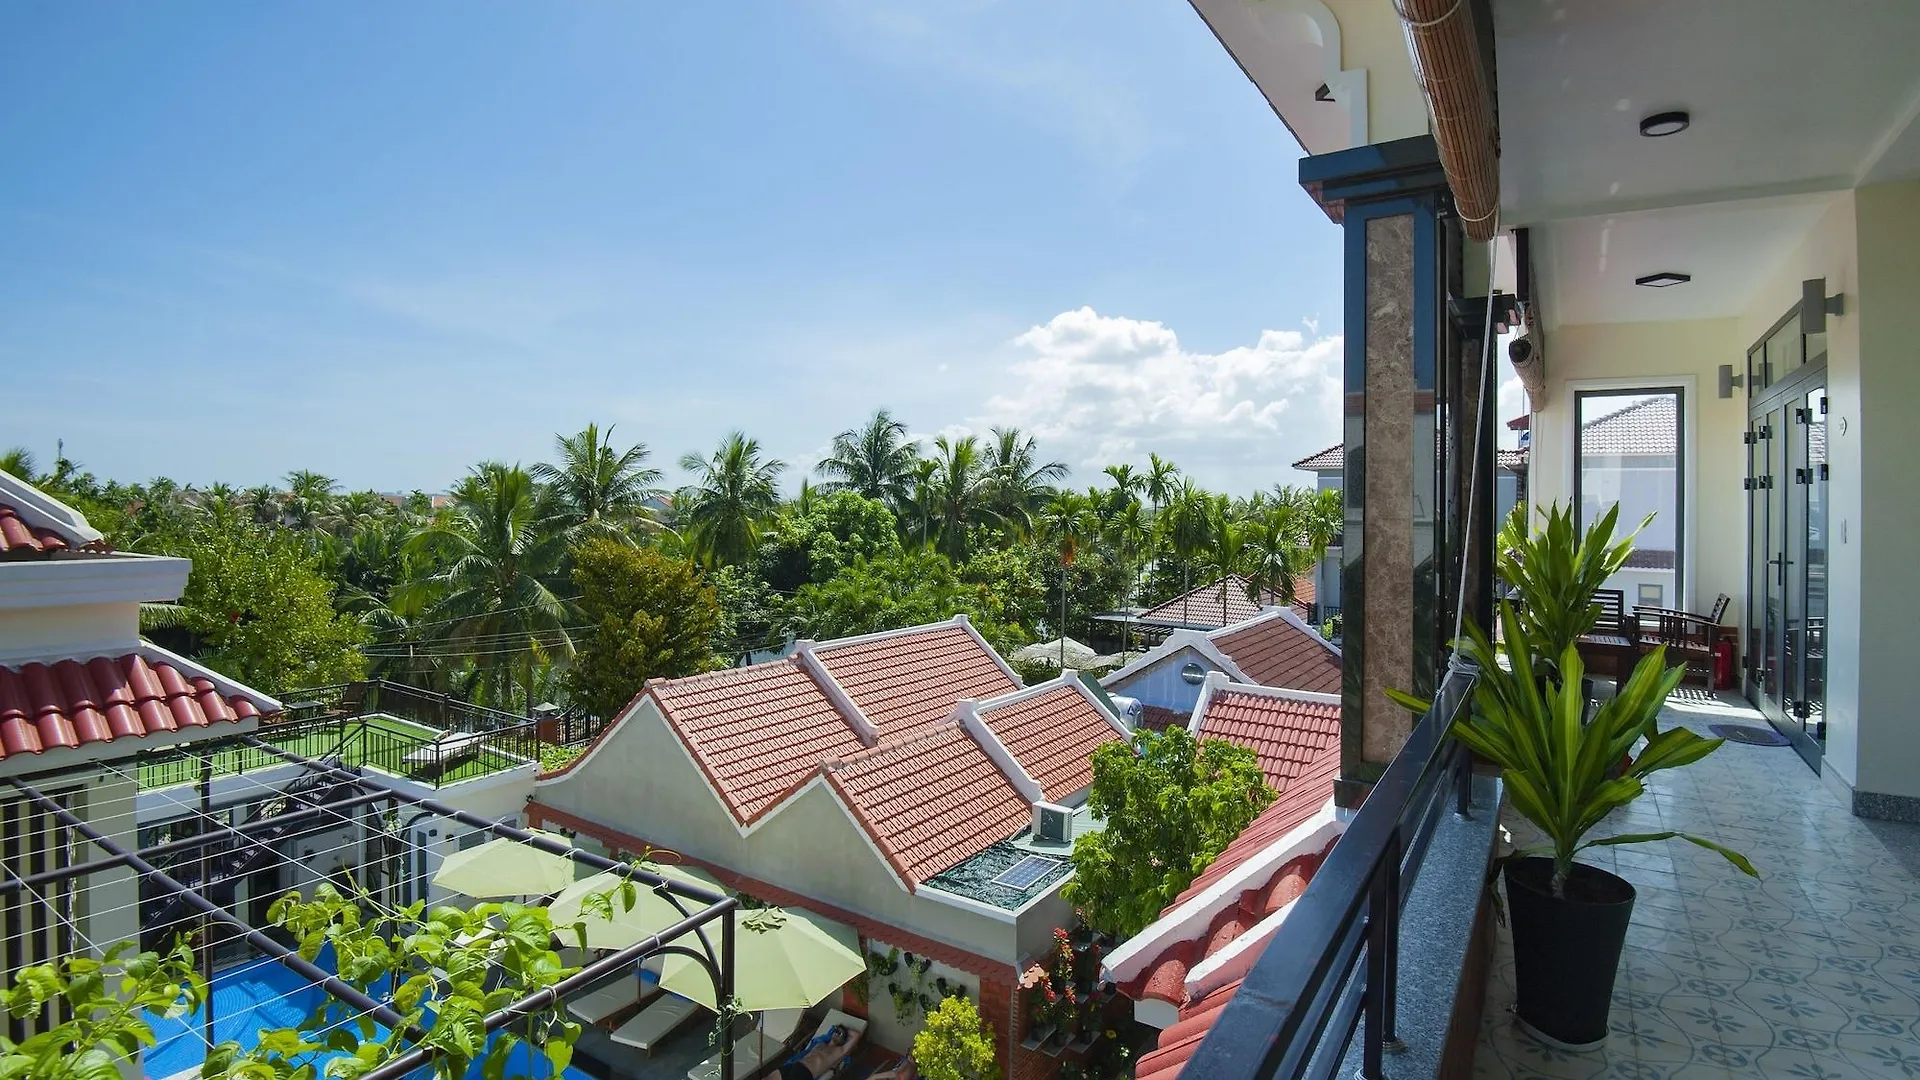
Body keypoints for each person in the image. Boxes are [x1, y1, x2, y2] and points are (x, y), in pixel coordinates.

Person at [779, 1024, 861, 1080]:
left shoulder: (840, 1051)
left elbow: (856, 1035)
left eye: (840, 1034)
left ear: (843, 1040)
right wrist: (838, 1028)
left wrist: (844, 1029)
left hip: (805, 1073)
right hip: (795, 1066)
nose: (836, 1034)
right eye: (836, 1031)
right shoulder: (820, 1043)